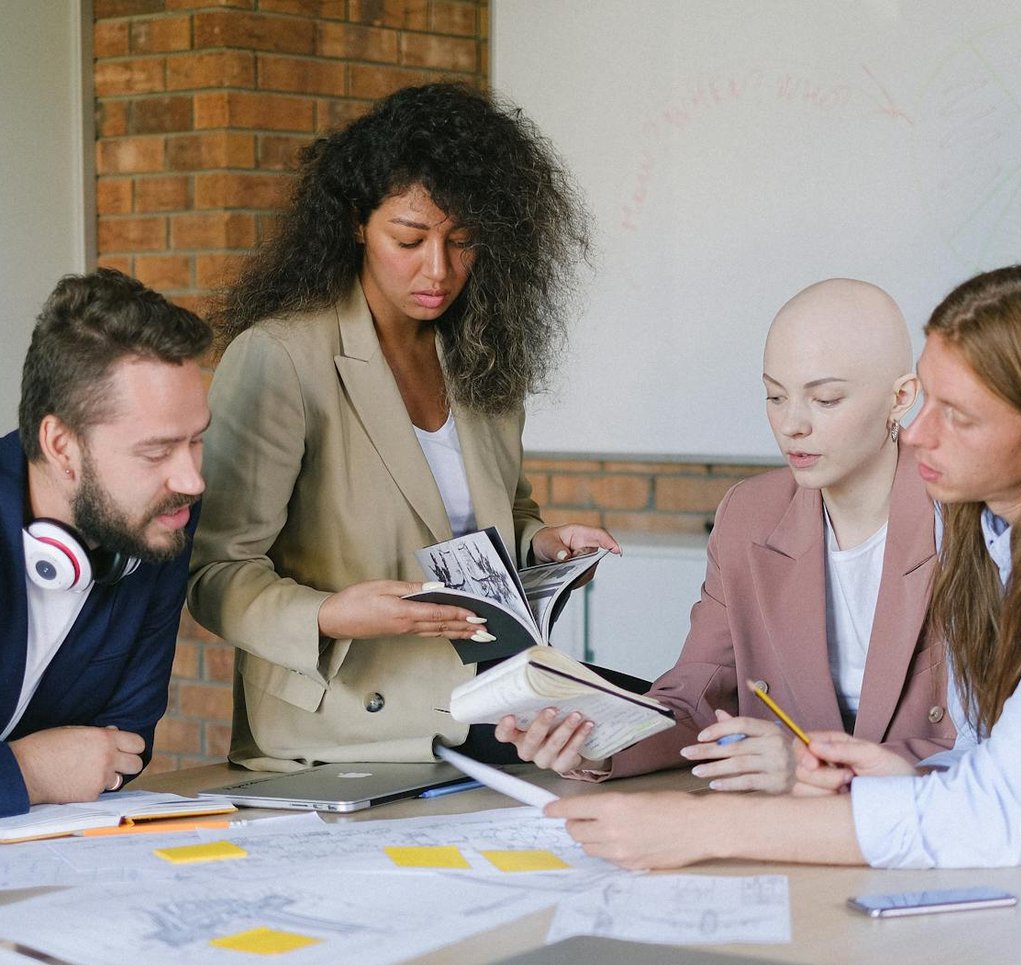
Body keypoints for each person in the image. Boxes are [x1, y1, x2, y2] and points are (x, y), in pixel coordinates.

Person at [539, 261, 1021, 965]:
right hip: (1016, 884)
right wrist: (906, 773)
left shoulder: (1000, 531)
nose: (921, 436)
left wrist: (704, 829)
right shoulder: (998, 530)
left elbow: (998, 808)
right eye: (775, 396)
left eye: (953, 414)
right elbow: (1005, 764)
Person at [497, 277, 955, 965]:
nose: (794, 425)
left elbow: (984, 751)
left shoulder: (966, 520)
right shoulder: (752, 516)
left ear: (902, 398)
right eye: (775, 397)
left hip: (917, 868)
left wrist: (804, 766)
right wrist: (591, 738)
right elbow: (690, 696)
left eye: (824, 398)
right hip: (774, 866)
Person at [187, 82, 617, 772]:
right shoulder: (282, 359)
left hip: (491, 694)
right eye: (409, 239)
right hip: (353, 720)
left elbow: (500, 515)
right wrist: (332, 615)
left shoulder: (481, 353)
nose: (439, 270)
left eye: (464, 241)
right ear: (357, 221)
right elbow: (213, 573)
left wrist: (545, 548)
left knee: (650, 748)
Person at [0, 268, 211, 817]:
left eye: (196, 441)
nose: (192, 480)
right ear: (61, 445)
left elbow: (124, 746)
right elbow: (64, 768)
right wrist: (27, 771)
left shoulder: (161, 515)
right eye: (156, 451)